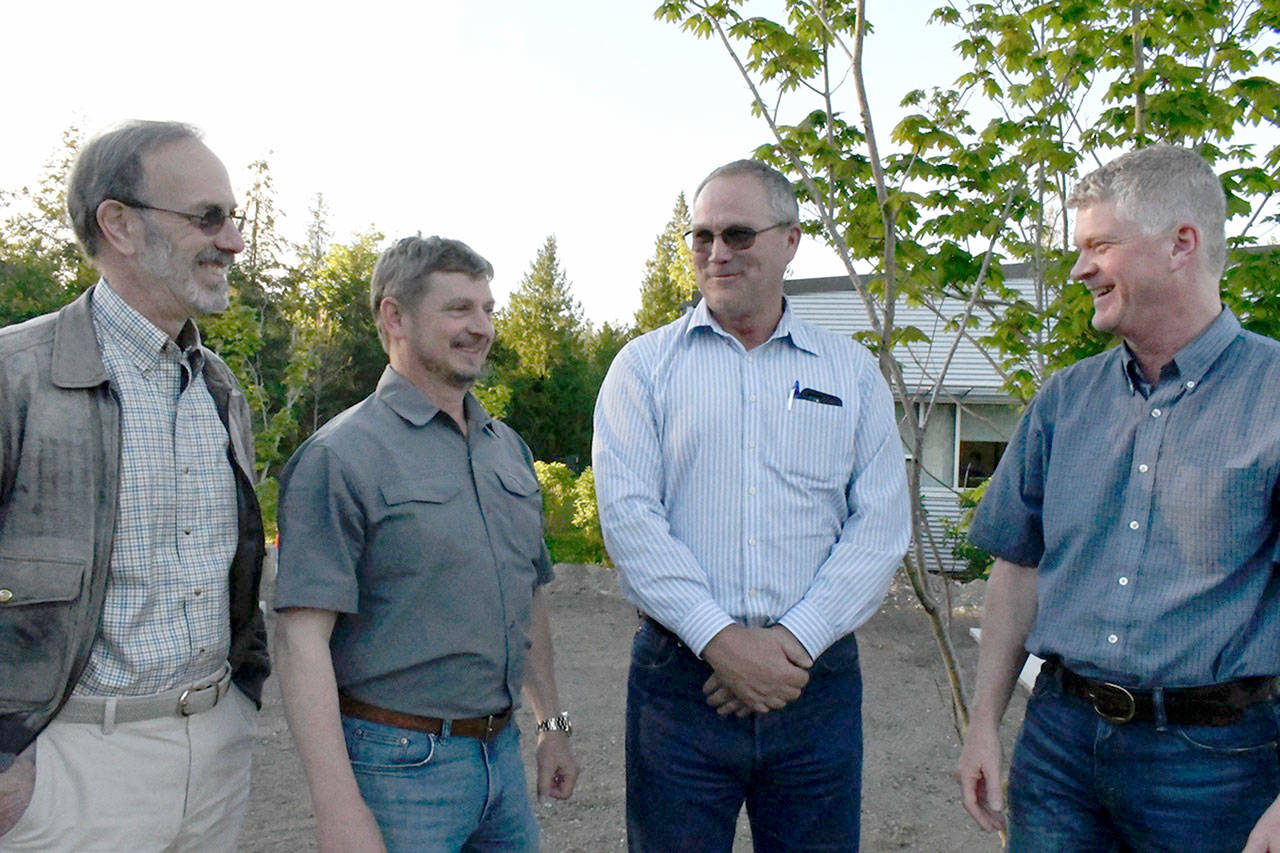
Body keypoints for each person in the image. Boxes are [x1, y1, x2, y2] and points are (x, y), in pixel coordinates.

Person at [956, 144, 1280, 852]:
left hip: (1216, 767)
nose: (1080, 269)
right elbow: (1018, 567)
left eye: (1100, 245)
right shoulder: (1065, 400)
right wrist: (983, 722)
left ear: (1181, 244)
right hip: (1058, 747)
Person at [593, 159, 911, 851]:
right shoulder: (642, 369)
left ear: (791, 240)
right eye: (701, 236)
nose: (717, 252)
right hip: (681, 684)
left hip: (813, 684)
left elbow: (880, 526)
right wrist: (722, 643)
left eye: (738, 234)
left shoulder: (851, 373)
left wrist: (790, 645)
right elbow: (630, 520)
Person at [0, 120, 269, 850]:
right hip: (68, 773)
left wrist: (238, 703)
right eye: (206, 217)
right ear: (118, 224)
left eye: (233, 218)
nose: (233, 242)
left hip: (215, 756)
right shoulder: (16, 377)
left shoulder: (219, 387)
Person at [273, 235, 579, 851]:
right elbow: (299, 639)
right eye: (459, 309)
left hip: (501, 759)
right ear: (395, 317)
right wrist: (337, 807)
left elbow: (529, 598)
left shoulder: (507, 449)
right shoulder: (339, 457)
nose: (482, 327)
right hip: (397, 769)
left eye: (487, 309)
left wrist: (552, 723)